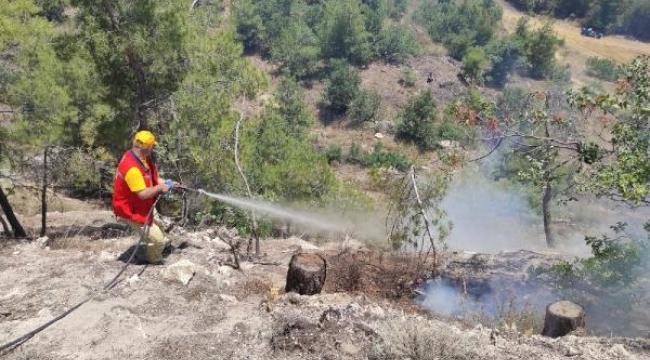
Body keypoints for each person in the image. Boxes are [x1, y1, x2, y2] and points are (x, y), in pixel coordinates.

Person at [112, 130, 180, 264]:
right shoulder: (132, 168)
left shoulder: (139, 159)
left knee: (159, 224)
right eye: (152, 146)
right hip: (132, 209)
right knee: (157, 240)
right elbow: (142, 194)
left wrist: (167, 182)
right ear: (148, 147)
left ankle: (164, 246)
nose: (153, 149)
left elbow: (150, 179)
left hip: (143, 205)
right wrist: (160, 188)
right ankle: (155, 259)